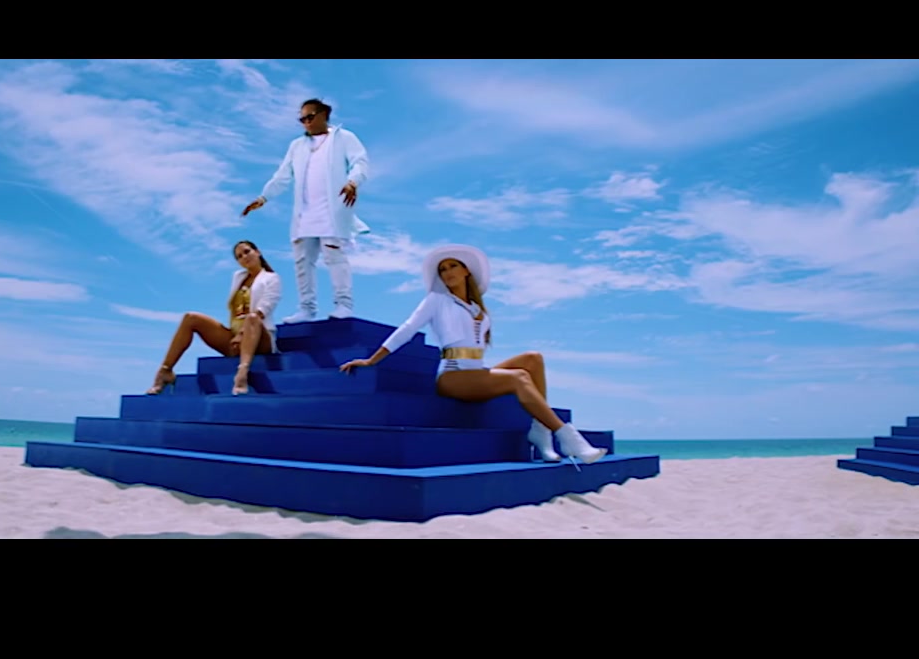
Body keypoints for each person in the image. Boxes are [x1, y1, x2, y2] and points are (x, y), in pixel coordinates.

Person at [338, 244, 608, 464]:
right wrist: (372, 360)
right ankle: (569, 439)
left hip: (476, 371)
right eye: (443, 269)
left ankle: (541, 432)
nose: (447, 272)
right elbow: (407, 329)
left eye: (453, 266)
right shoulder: (436, 300)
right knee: (519, 377)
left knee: (533, 359)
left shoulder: (478, 309)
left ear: (466, 270)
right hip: (452, 376)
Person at [242, 98, 371, 323]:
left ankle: (344, 304)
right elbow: (282, 176)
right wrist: (264, 197)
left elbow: (360, 162)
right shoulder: (297, 146)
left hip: (331, 212)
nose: (306, 122)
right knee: (302, 263)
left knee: (334, 257)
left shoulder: (343, 138)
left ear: (324, 115)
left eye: (310, 117)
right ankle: (306, 309)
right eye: (302, 119)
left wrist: (353, 182)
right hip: (304, 215)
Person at [145, 240, 282, 397]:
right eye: (239, 256)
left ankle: (242, 374)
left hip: (259, 340)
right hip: (234, 339)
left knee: (252, 317)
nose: (244, 257)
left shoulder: (272, 278)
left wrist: (241, 334)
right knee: (190, 318)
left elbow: (263, 309)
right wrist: (235, 335)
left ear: (257, 252)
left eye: (247, 252)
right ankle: (165, 371)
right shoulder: (238, 277)